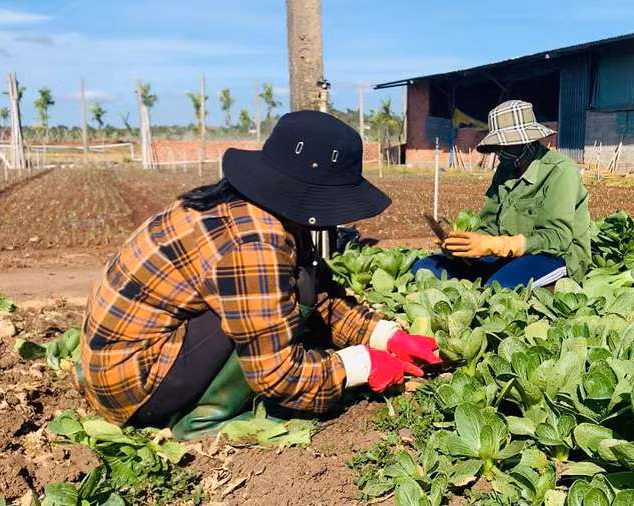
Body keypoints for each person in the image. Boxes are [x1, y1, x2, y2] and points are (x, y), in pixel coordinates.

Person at [79, 111, 441, 439]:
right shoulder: (252, 240)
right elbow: (277, 373)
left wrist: (384, 336)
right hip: (135, 388)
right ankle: (201, 421)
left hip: (117, 366)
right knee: (272, 307)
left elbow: (319, 293)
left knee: (295, 288)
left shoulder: (252, 205)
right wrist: (361, 365)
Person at [411, 100, 592, 290]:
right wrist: (464, 246)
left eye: (505, 145)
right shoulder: (505, 171)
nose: (500, 152)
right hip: (506, 256)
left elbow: (556, 239)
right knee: (426, 267)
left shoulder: (560, 170)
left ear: (527, 140)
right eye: (497, 145)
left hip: (553, 256)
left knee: (499, 288)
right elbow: (489, 226)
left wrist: (496, 245)